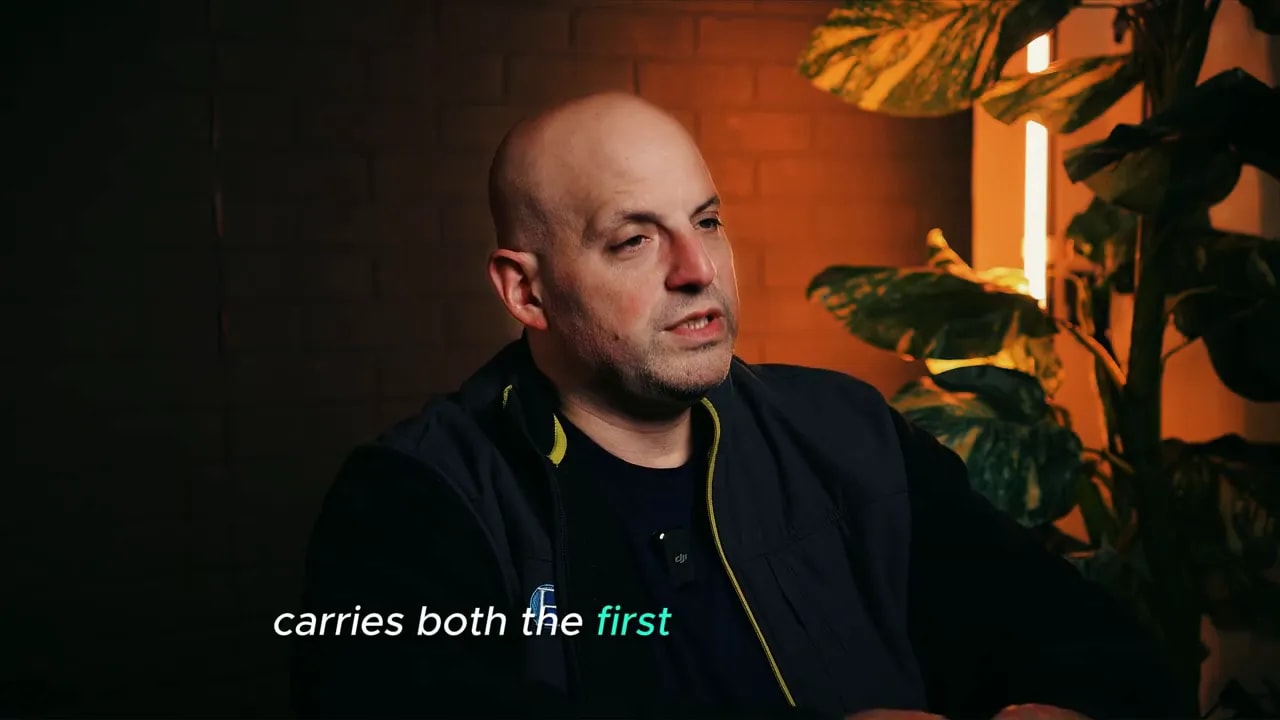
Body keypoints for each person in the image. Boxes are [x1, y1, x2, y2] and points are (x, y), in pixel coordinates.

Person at [290, 92, 1178, 720]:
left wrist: (1066, 707)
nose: (698, 269)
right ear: (526, 292)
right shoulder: (412, 500)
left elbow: (1092, 644)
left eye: (707, 221)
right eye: (634, 239)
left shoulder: (847, 435)